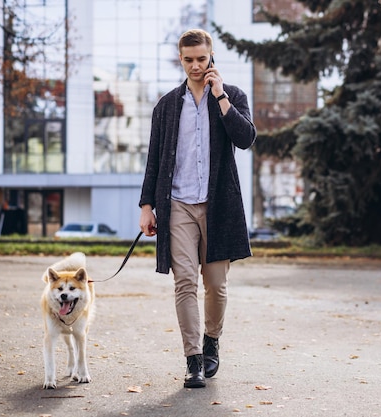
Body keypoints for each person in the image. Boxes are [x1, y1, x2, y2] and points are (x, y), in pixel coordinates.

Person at [138, 29, 256, 388]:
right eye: (188, 59)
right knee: (185, 281)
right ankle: (192, 360)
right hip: (178, 205)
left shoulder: (232, 95)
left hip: (218, 205)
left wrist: (220, 96)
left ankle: (211, 341)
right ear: (180, 59)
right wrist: (147, 206)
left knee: (216, 285)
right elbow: (155, 159)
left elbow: (246, 138)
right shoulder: (167, 105)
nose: (195, 65)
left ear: (211, 57)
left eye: (201, 59)